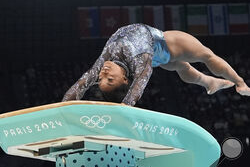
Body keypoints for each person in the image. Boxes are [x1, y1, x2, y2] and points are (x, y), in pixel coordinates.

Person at [62, 23, 250, 106]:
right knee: (202, 57)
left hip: (161, 49)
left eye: (101, 78)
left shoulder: (104, 63)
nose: (103, 72)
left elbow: (79, 85)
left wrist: (61, 107)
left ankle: (224, 82)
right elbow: (137, 89)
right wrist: (126, 107)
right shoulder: (140, 60)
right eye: (109, 78)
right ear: (125, 79)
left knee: (186, 65)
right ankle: (235, 83)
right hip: (170, 45)